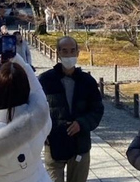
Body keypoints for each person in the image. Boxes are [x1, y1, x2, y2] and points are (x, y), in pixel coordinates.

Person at [39, 36, 104, 182]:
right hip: (54, 142)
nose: (69, 55)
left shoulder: (87, 82)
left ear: (78, 52)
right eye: (64, 51)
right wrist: (43, 133)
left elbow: (97, 110)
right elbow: (36, 111)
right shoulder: (45, 80)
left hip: (80, 143)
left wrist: (82, 123)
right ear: (58, 53)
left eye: (72, 51)